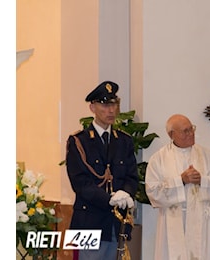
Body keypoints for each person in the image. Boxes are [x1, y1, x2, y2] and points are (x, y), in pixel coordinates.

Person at [66, 81, 138, 260]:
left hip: (116, 224)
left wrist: (126, 194)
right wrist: (110, 199)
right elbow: (80, 183)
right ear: (92, 107)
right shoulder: (78, 141)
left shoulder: (124, 141)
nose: (111, 110)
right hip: (88, 221)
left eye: (114, 104)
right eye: (105, 105)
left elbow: (131, 176)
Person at [145, 114, 210, 260]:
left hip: (201, 220)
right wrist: (181, 181)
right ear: (172, 134)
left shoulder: (205, 155)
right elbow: (152, 192)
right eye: (185, 131)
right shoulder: (158, 159)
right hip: (171, 222)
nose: (191, 134)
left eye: (192, 129)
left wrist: (202, 180)